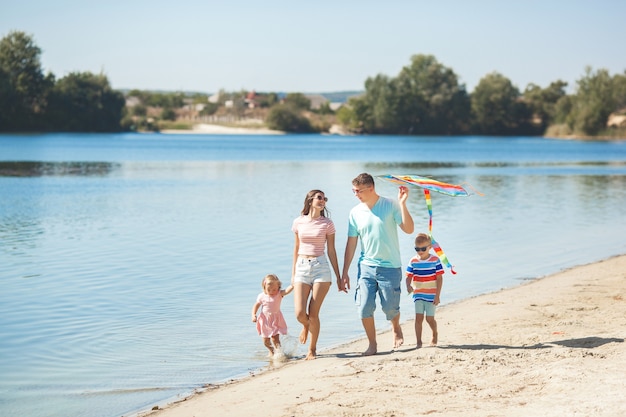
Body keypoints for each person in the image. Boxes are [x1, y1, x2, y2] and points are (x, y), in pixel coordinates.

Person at [341, 173, 414, 356]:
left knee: (390, 307)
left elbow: (409, 229)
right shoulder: (355, 212)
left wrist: (403, 204)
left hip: (390, 266)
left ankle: (395, 327)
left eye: (358, 191)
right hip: (366, 266)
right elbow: (351, 244)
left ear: (371, 188)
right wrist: (344, 272)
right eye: (353, 190)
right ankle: (372, 344)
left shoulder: (390, 205)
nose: (355, 194)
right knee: (364, 306)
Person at [291, 189, 342, 360]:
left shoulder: (327, 223)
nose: (323, 201)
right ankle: (306, 326)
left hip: (321, 267)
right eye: (319, 198)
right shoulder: (298, 222)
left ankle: (312, 350)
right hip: (302, 268)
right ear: (310, 200)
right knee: (299, 313)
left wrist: (339, 277)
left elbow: (332, 251)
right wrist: (293, 274)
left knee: (313, 313)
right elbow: (296, 249)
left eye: (325, 199)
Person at [405, 233, 444, 348]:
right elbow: (409, 276)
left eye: (423, 249)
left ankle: (434, 334)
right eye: (417, 249)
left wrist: (437, 295)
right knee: (418, 318)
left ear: (430, 247)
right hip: (418, 294)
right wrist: (408, 285)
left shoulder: (435, 260)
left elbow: (439, 278)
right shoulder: (413, 261)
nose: (420, 251)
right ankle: (419, 342)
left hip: (431, 294)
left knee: (429, 319)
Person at [251, 274, 294, 359]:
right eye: (268, 289)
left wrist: (293, 285)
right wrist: (253, 315)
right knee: (265, 341)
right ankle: (271, 351)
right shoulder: (262, 296)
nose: (271, 291)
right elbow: (256, 306)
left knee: (275, 338)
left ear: (278, 287)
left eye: (274, 289)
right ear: (264, 287)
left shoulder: (279, 294)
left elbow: (287, 291)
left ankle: (279, 353)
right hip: (265, 320)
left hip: (275, 319)